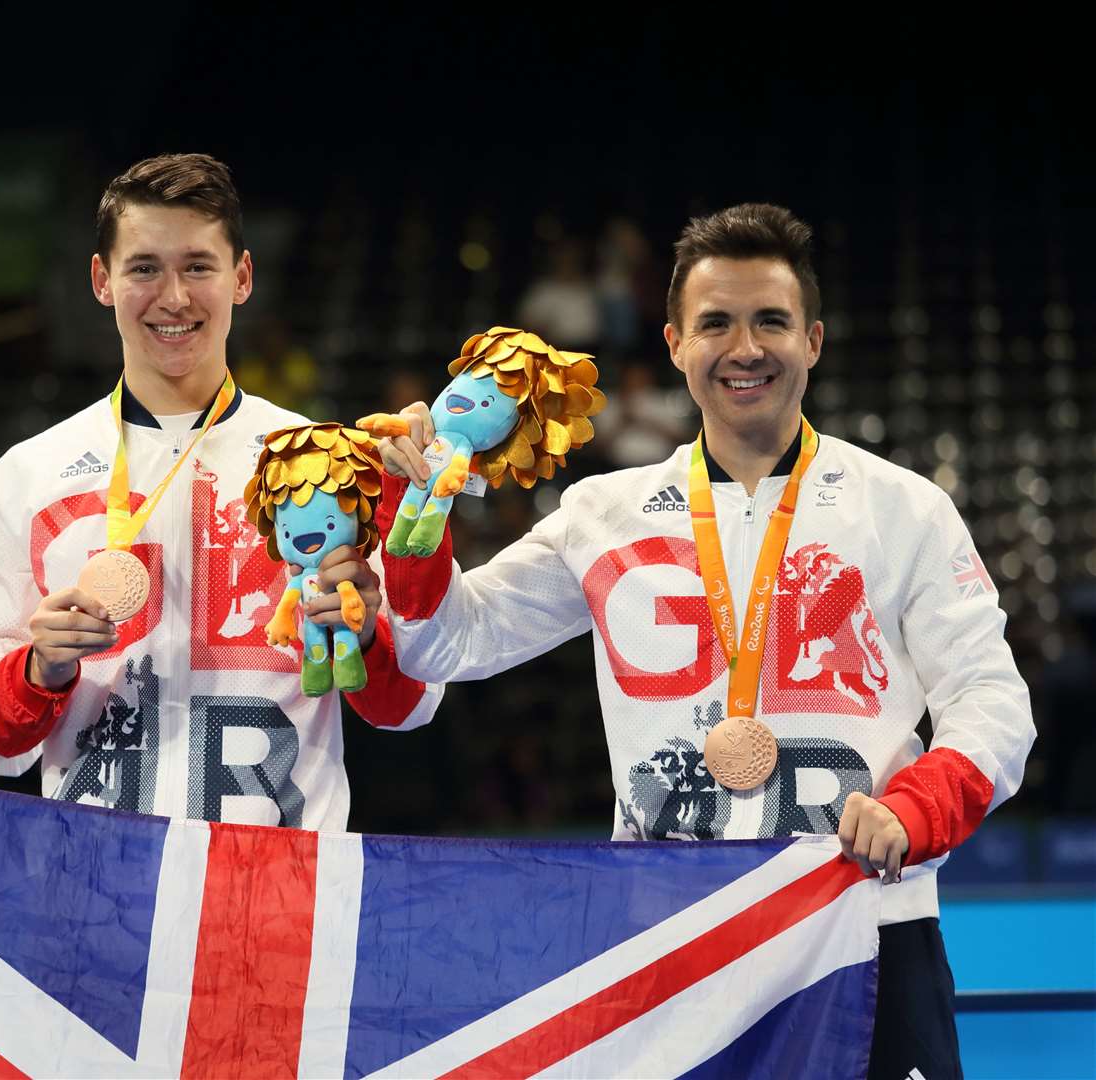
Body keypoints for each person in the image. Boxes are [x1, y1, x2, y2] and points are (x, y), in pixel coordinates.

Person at [377, 203, 1033, 1080]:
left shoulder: (902, 506)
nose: (745, 348)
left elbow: (993, 702)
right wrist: (416, 506)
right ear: (676, 342)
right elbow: (443, 646)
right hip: (668, 935)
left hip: (862, 928)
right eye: (716, 323)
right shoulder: (601, 515)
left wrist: (918, 810)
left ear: (815, 340)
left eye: (772, 321)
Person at [0, 153, 440, 829]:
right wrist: (40, 667)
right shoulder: (30, 474)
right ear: (101, 280)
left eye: (198, 266)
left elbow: (412, 704)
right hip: (96, 889)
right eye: (144, 267)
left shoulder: (329, 462)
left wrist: (367, 638)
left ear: (241, 277)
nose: (173, 297)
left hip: (277, 895)